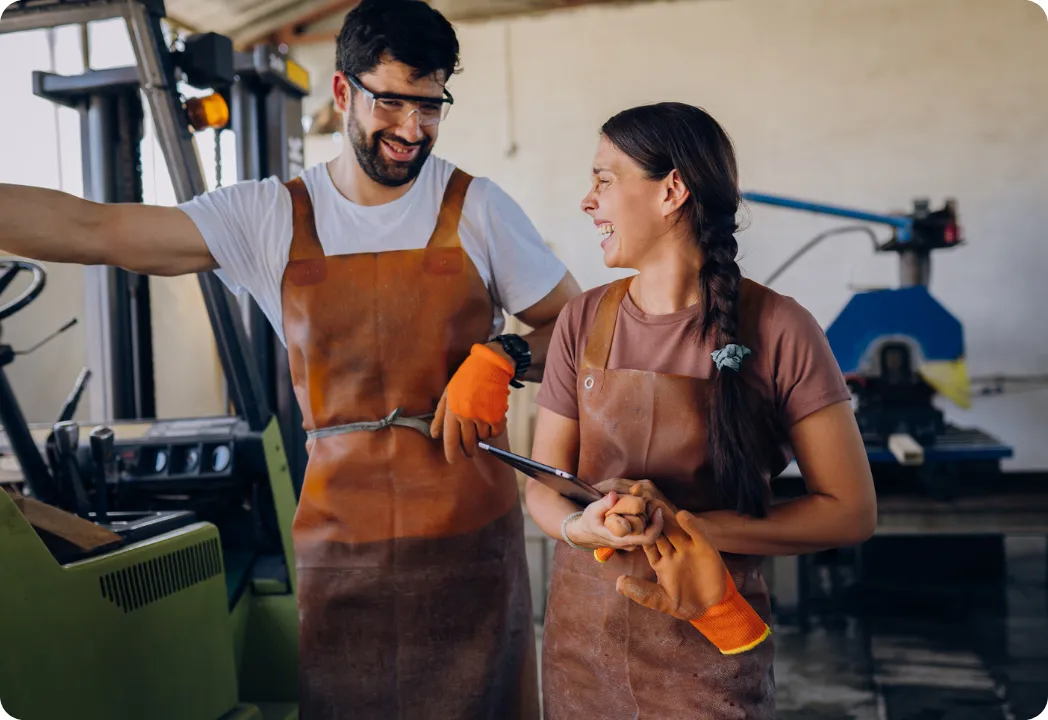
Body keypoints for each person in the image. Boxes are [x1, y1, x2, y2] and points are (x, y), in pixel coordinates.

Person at [0, 1, 580, 717]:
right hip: (342, 548)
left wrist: (505, 353)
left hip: (470, 544)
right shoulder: (268, 217)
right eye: (391, 102)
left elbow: (578, 330)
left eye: (430, 107)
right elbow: (95, 228)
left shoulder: (479, 208)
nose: (412, 129)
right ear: (343, 92)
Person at [526, 102, 877, 718]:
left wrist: (688, 527)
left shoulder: (780, 327)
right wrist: (583, 527)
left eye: (603, 180)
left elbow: (850, 513)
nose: (587, 200)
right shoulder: (582, 320)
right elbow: (543, 487)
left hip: (709, 650)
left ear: (672, 191)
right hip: (582, 653)